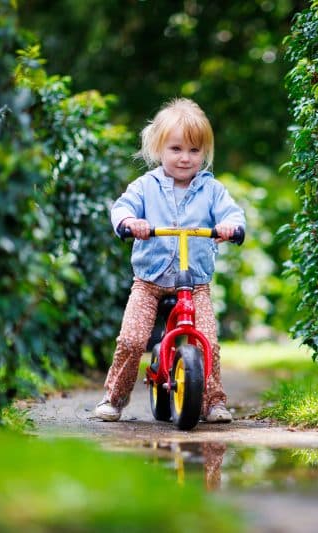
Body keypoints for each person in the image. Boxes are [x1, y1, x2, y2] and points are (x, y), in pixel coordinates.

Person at [94, 98, 245, 423]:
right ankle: (114, 398)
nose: (185, 158)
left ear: (204, 153)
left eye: (194, 150)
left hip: (195, 282)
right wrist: (130, 223)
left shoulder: (211, 189)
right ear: (158, 148)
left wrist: (231, 226)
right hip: (149, 281)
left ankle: (212, 402)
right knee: (132, 340)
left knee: (208, 341)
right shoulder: (146, 186)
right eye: (176, 149)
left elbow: (231, 211)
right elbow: (122, 206)